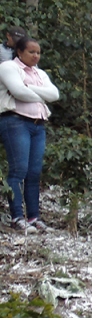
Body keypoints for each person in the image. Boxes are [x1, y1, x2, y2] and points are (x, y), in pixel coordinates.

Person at [0, 36, 60, 232]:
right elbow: (18, 92)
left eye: (38, 52)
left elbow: (55, 95)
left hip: (37, 125)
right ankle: (17, 217)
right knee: (19, 170)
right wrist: (42, 96)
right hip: (16, 122)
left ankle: (34, 217)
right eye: (31, 52)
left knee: (34, 173)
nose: (36, 56)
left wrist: (30, 88)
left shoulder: (40, 73)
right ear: (19, 52)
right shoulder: (9, 67)